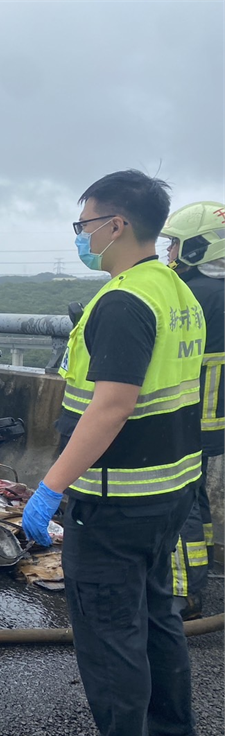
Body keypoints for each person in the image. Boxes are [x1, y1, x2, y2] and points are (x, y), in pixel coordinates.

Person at [21, 170, 208, 736]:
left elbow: (112, 405)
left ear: (116, 225)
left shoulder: (125, 300)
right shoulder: (176, 290)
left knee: (109, 635)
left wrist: (50, 488)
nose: (81, 236)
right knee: (157, 616)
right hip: (171, 490)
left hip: (117, 499)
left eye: (84, 224)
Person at [163, 201, 225, 620]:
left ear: (198, 248)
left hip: (189, 416)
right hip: (215, 420)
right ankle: (202, 567)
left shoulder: (192, 295)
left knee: (179, 501)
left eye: (175, 245)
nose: (169, 254)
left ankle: (183, 593)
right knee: (195, 493)